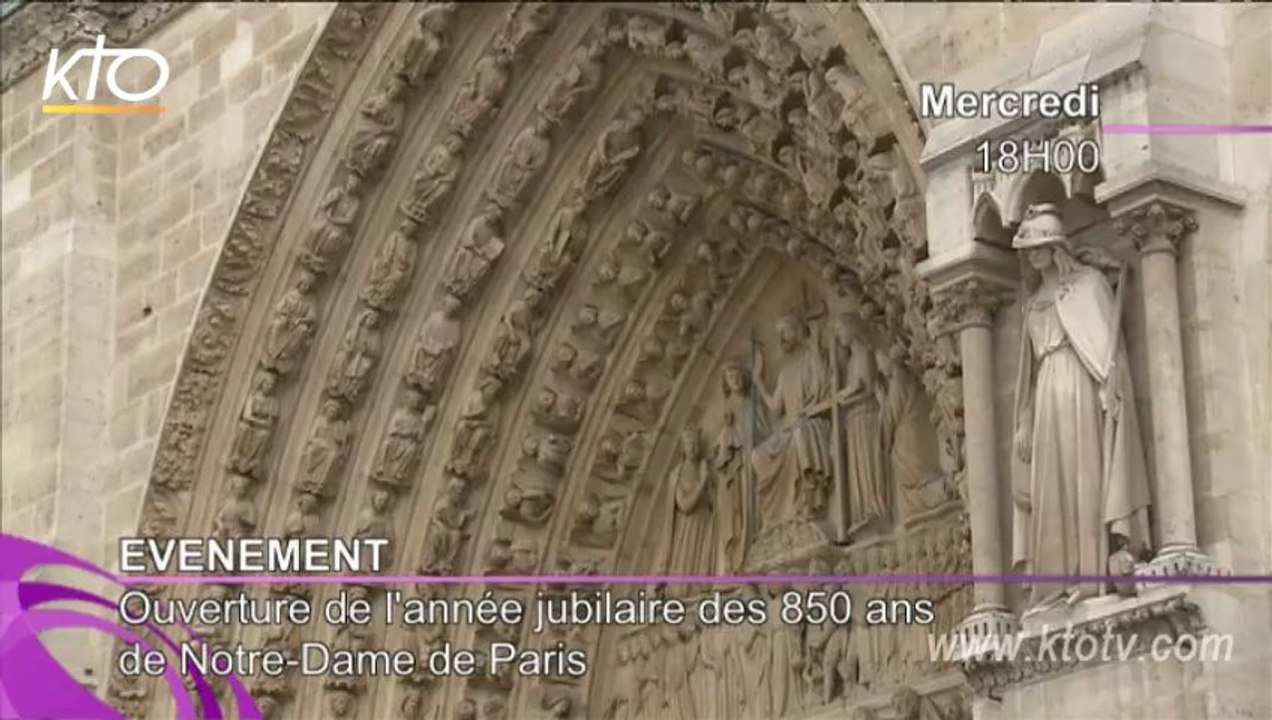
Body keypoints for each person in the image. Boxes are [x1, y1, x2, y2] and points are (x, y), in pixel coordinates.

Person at [1009, 204, 1152, 608]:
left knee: (1084, 477)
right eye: (1028, 249)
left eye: (1040, 245)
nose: (1034, 255)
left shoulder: (1088, 285)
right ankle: (1057, 579)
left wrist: (1111, 385)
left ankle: (1090, 576)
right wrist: (1022, 420)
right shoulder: (1033, 305)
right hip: (1046, 399)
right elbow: (1026, 376)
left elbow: (1108, 349)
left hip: (1080, 388)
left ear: (1057, 246)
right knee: (1050, 486)